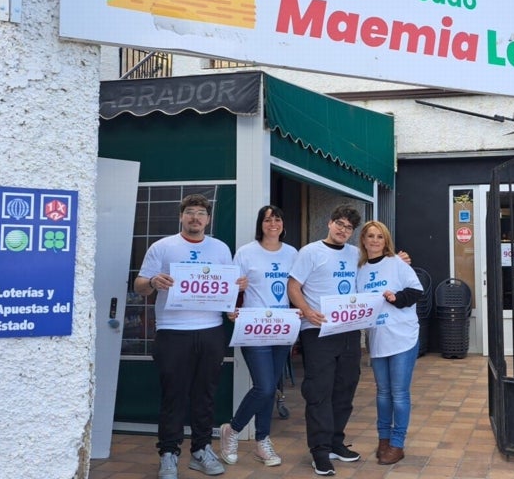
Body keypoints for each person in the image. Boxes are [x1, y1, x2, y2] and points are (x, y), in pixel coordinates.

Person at [133, 194, 247, 479]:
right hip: (172, 331)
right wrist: (152, 282)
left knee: (205, 394)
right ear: (181, 216)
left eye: (201, 213)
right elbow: (139, 286)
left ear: (208, 219)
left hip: (210, 330)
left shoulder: (220, 248)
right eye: (190, 212)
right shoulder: (162, 247)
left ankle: (201, 450)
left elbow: (227, 289)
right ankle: (168, 453)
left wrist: (237, 290)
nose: (195, 218)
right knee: (174, 395)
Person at [287, 204, 365, 476]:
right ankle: (319, 452)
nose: (343, 230)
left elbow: (376, 270)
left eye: (349, 228)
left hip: (349, 330)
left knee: (345, 389)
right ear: (329, 223)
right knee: (319, 391)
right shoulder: (310, 252)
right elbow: (293, 286)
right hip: (317, 332)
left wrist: (398, 260)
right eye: (340, 224)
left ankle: (335, 442)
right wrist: (307, 311)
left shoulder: (356, 254)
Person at [219, 205, 297, 468]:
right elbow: (230, 285)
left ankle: (262, 441)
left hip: (282, 327)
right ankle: (232, 429)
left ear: (283, 224)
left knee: (269, 388)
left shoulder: (292, 253)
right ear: (260, 224)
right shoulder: (246, 252)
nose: (272, 223)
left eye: (277, 218)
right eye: (267, 219)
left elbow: (297, 287)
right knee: (264, 386)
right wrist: (232, 307)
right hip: (254, 327)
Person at [356, 220, 423, 465]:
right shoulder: (360, 269)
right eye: (370, 236)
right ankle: (383, 439)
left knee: (399, 393)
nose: (374, 241)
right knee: (382, 393)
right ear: (363, 240)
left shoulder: (396, 263)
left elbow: (417, 291)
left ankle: (397, 443)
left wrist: (396, 298)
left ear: (386, 241)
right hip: (377, 338)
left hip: (402, 337)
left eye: (379, 237)